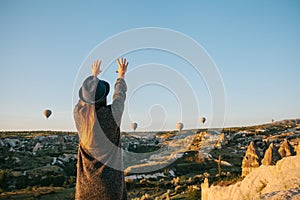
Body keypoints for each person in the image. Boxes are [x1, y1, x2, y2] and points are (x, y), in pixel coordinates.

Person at [74, 58, 128, 200]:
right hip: (111, 190)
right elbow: (119, 95)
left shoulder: (79, 115)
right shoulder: (112, 116)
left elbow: (84, 100)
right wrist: (121, 75)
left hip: (85, 190)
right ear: (104, 99)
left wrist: (93, 78)